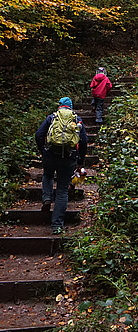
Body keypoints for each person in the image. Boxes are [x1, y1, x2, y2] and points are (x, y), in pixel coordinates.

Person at [35, 97, 88, 234]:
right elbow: (83, 141)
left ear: (60, 106)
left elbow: (39, 134)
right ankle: (57, 225)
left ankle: (47, 198)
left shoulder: (52, 117)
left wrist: (43, 150)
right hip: (69, 157)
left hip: (50, 154)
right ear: (71, 107)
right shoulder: (77, 119)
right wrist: (80, 161)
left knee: (47, 175)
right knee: (62, 189)